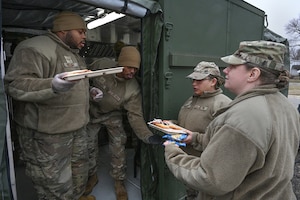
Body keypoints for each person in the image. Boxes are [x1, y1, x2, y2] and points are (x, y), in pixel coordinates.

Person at [163, 40, 300, 200]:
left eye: (233, 66)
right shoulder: (285, 106)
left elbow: (209, 178)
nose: (226, 70)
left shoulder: (243, 116)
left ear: (253, 74)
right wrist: (195, 138)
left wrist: (171, 150)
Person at [4, 11, 96, 200]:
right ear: (63, 30)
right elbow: (16, 84)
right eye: (80, 31)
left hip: (77, 130)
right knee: (55, 187)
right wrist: (51, 85)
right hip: (48, 135)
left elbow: (77, 84)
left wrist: (91, 92)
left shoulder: (75, 54)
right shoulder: (35, 48)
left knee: (79, 177)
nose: (85, 36)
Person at [86, 46, 163, 199]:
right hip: (91, 113)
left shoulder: (133, 88)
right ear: (120, 63)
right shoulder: (102, 65)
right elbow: (82, 77)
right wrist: (90, 91)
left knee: (118, 146)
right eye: (129, 67)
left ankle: (118, 182)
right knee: (88, 146)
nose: (132, 72)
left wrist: (148, 136)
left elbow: (135, 116)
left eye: (135, 69)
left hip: (112, 114)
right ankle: (92, 175)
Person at [177, 61, 231, 199]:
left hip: (206, 169)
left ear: (213, 81)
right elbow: (187, 124)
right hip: (189, 163)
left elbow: (223, 141)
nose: (194, 83)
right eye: (193, 80)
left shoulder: (222, 104)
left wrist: (194, 138)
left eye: (199, 80)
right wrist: (169, 125)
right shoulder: (192, 99)